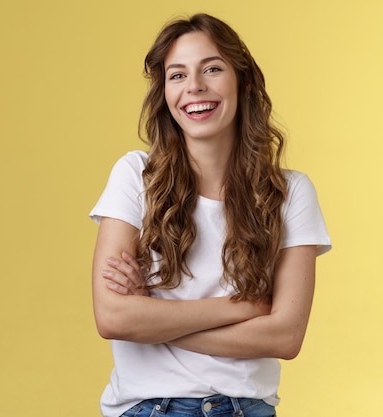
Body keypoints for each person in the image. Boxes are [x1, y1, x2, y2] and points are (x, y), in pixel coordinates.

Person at [90, 13, 331, 417]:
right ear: (165, 93)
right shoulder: (135, 175)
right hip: (149, 409)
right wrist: (243, 308)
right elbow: (113, 317)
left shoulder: (290, 192)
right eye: (177, 75)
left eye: (212, 69)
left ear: (244, 81)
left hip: (247, 408)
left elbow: (286, 336)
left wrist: (152, 320)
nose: (195, 87)